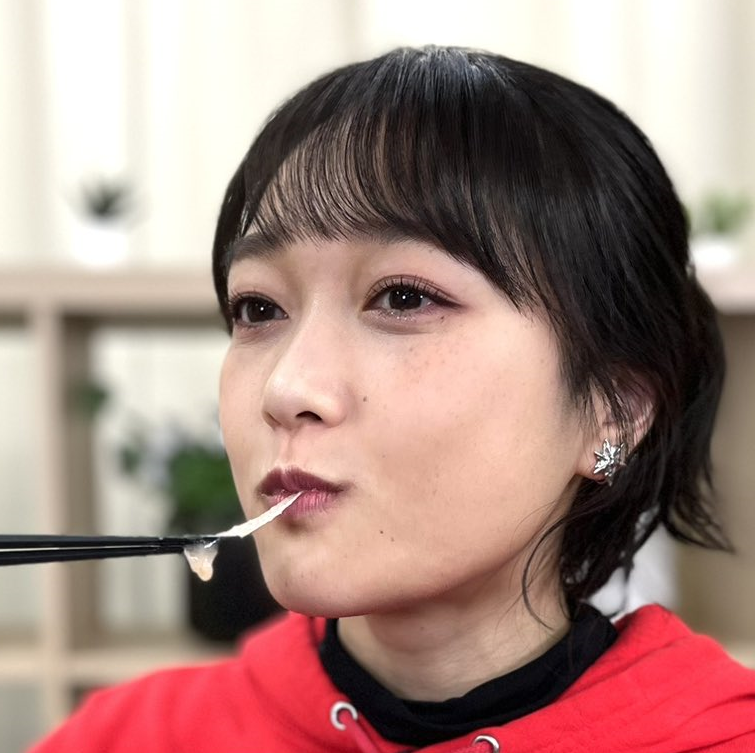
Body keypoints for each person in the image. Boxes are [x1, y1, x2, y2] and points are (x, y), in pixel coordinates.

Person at [31, 46, 755, 753]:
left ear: (614, 408)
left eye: (403, 297)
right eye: (257, 308)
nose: (286, 389)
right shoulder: (128, 736)